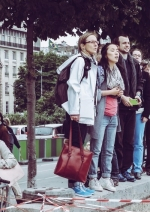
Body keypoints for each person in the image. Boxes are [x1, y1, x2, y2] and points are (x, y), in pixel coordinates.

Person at [57, 31, 99, 197]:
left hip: (84, 110)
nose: (96, 44)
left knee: (80, 147)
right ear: (83, 45)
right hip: (78, 111)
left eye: (97, 42)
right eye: (91, 42)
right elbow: (73, 85)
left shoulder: (90, 62)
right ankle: (75, 184)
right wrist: (74, 110)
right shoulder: (80, 61)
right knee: (76, 147)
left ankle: (79, 182)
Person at [87, 42, 123, 193]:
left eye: (117, 51)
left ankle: (106, 178)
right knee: (96, 149)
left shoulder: (117, 71)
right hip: (101, 114)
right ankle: (92, 178)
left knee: (109, 149)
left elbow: (120, 90)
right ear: (105, 53)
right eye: (113, 50)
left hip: (114, 114)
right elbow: (94, 92)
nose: (116, 53)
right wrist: (111, 92)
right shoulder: (100, 70)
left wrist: (120, 94)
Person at [113, 35, 143, 183]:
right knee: (118, 140)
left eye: (128, 42)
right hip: (118, 106)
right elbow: (113, 82)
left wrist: (138, 94)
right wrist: (122, 97)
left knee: (129, 140)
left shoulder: (135, 63)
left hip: (132, 107)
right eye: (124, 43)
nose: (127, 45)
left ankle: (126, 169)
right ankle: (117, 170)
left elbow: (140, 82)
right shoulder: (115, 61)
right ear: (117, 45)